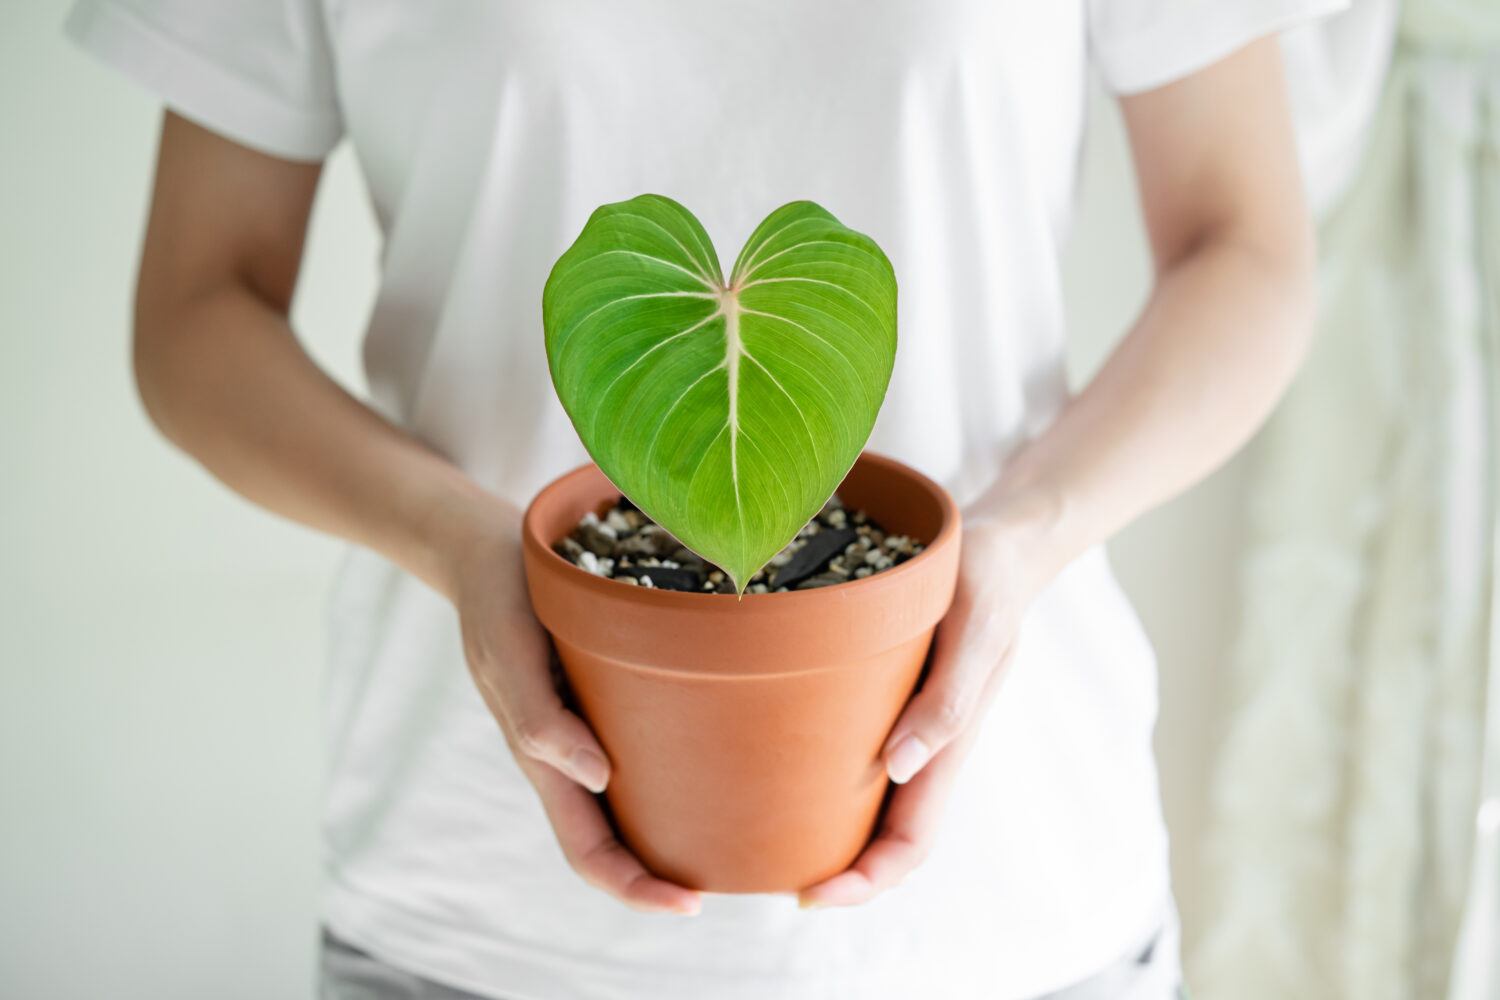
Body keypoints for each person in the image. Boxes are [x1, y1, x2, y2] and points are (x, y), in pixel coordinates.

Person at [66, 0, 1336, 996]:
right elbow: (197, 313)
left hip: (1004, 900)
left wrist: (1018, 538)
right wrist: (456, 540)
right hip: (470, 904)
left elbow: (1249, 250)